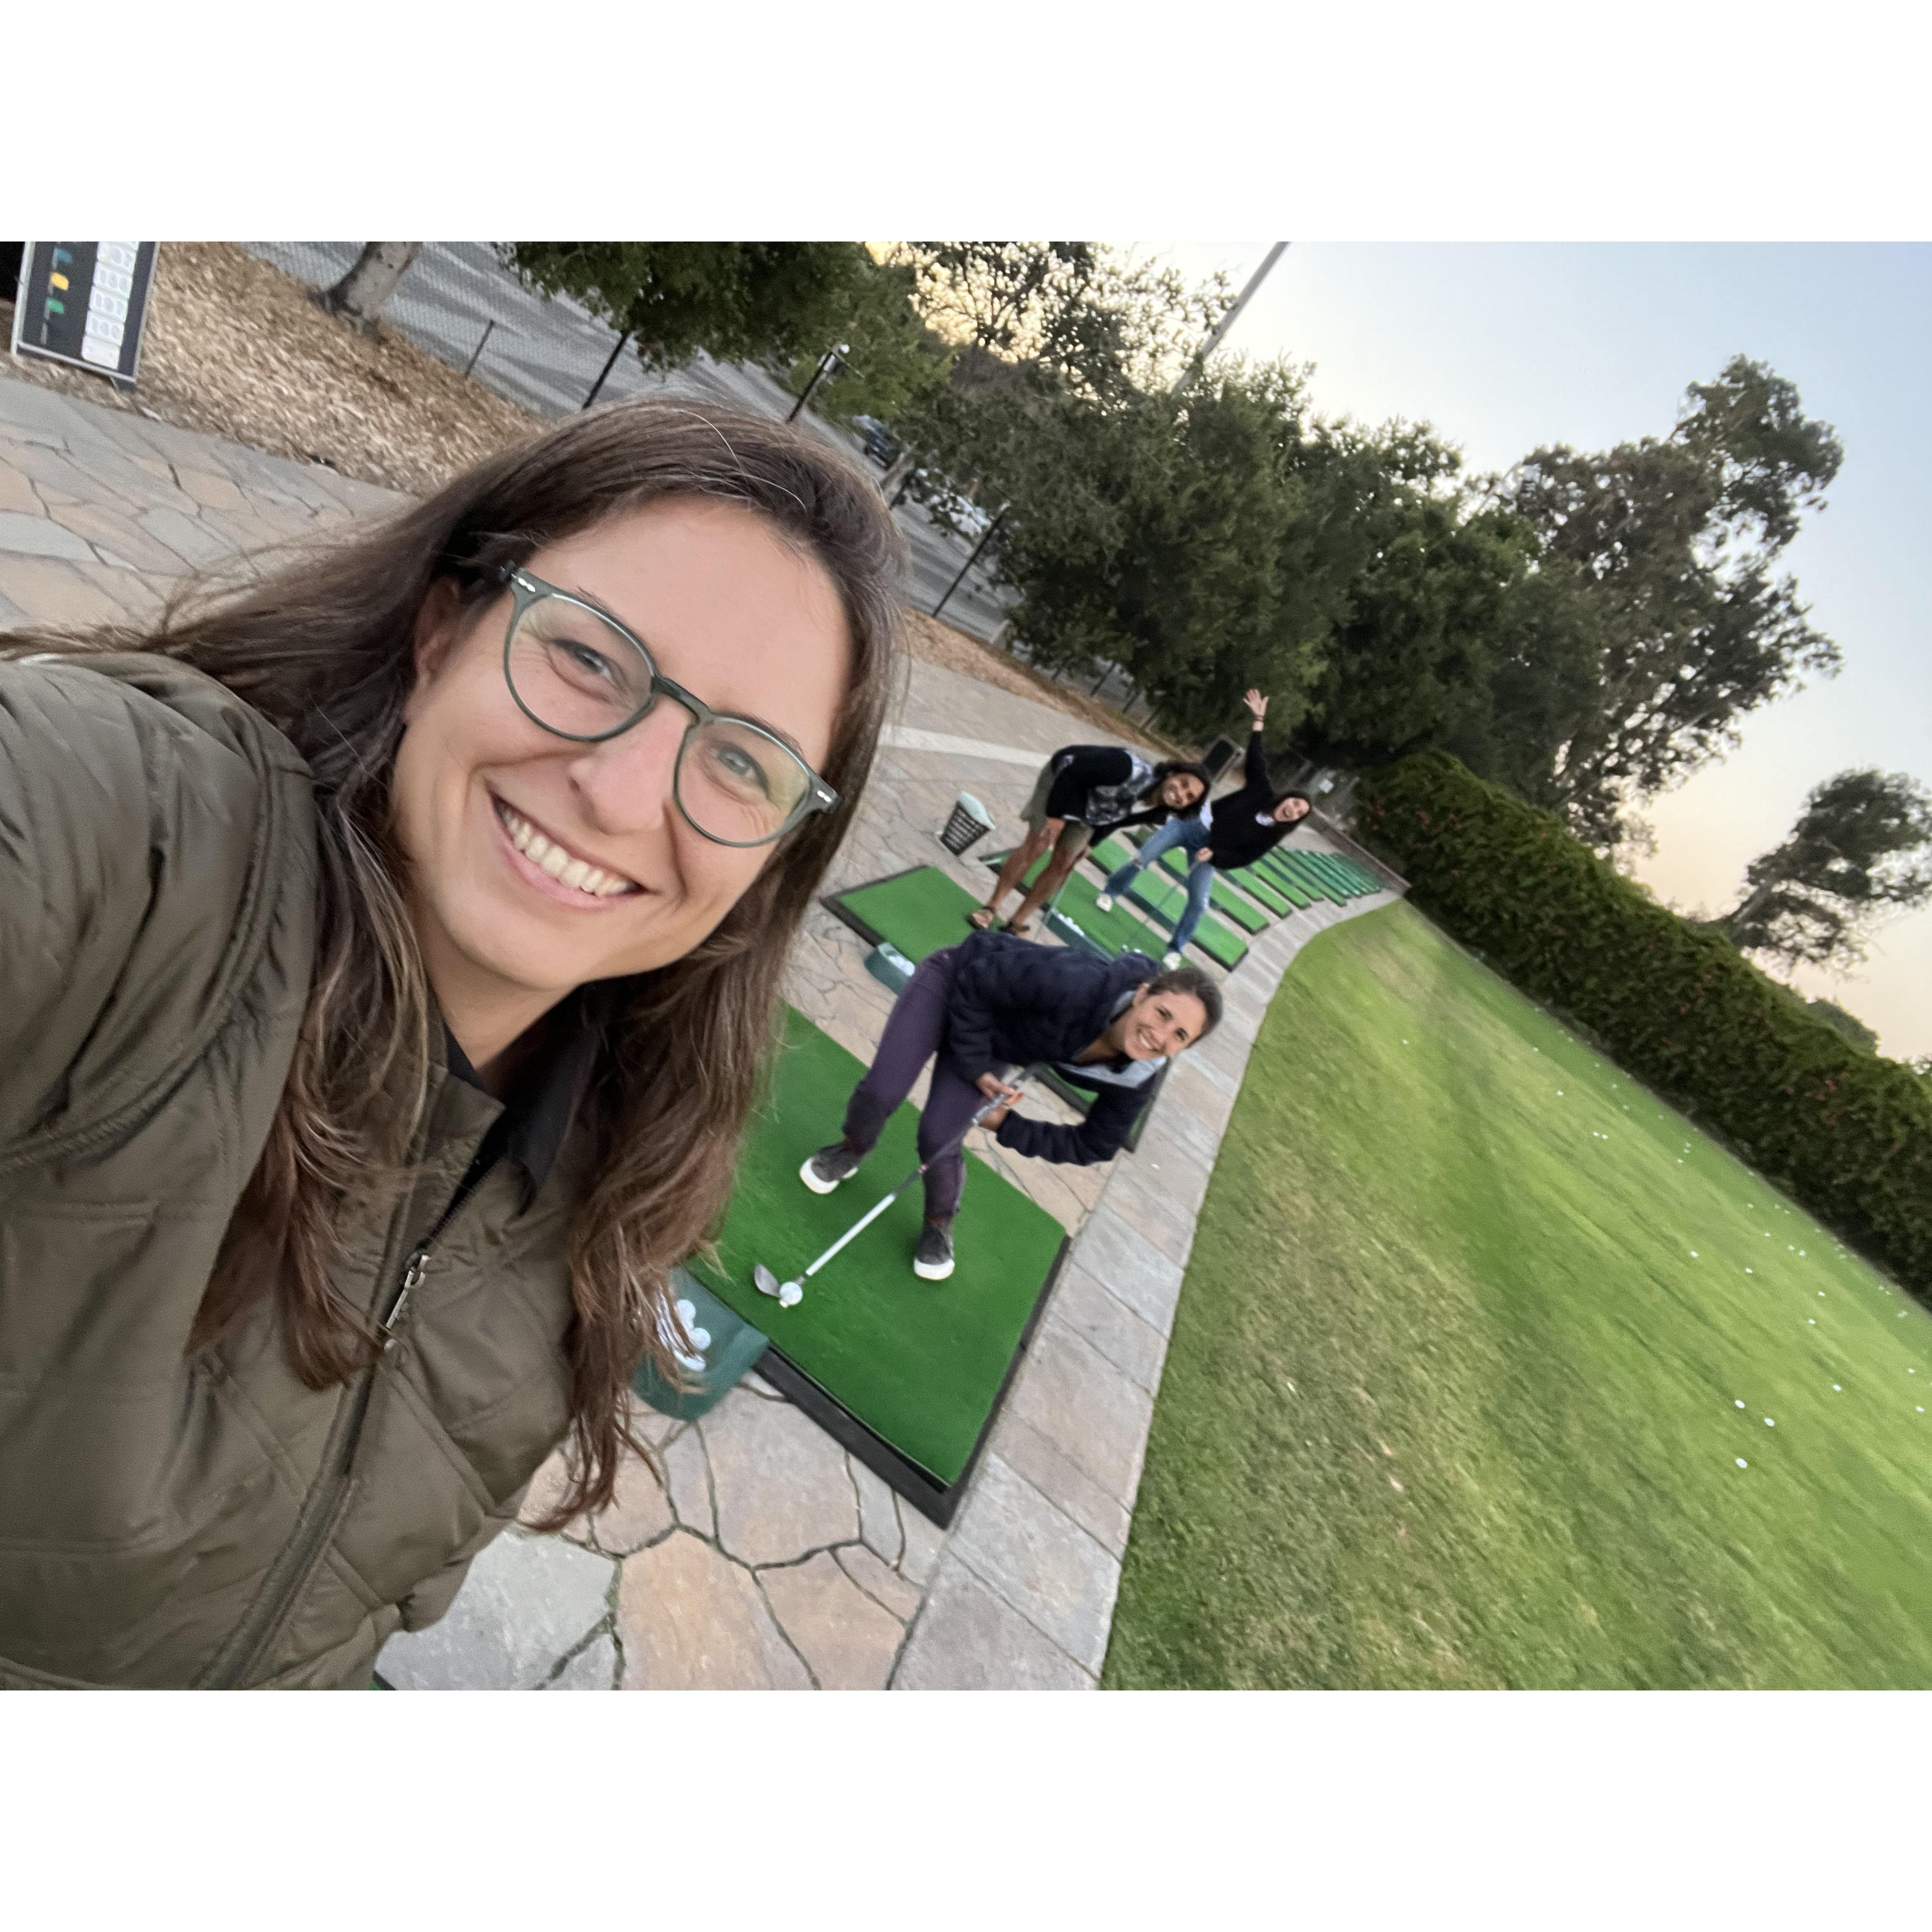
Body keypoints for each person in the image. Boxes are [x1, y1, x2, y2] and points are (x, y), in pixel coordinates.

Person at [0, 399, 902, 1690]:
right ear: (443, 635)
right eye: (590, 658)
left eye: (741, 763)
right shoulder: (150, 848)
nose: (626, 791)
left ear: (772, 862)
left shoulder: (616, 1183)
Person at [801, 932, 1221, 1279]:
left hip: (998, 1037)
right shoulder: (1079, 983)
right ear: (1143, 994)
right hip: (954, 981)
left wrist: (1007, 1124)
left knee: (939, 1137)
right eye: (1163, 1014)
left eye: (1180, 1036)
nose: (1160, 1036)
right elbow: (978, 979)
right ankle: (851, 1149)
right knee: (882, 1091)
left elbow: (1096, 1144)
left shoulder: (1137, 1077)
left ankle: (938, 1223)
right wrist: (973, 1067)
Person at [1096, 689, 1311, 966]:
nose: (1293, 810)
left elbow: (1244, 857)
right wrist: (1258, 720)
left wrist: (1216, 856)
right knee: (1142, 858)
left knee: (1199, 903)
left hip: (1209, 851)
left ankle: (1176, 947)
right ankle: (1111, 892)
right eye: (1294, 803)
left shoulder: (1271, 834)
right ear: (1287, 798)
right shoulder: (1261, 791)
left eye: (1299, 813)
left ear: (1295, 820)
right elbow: (1257, 758)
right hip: (1191, 824)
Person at [969, 744, 1208, 938]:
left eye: (1189, 797)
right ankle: (991, 907)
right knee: (1038, 845)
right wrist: (1055, 815)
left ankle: (1016, 922)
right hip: (1062, 780)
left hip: (1094, 808)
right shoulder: (1126, 769)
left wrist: (1093, 843)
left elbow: (1117, 820)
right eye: (1183, 784)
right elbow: (1072, 771)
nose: (1181, 794)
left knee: (1065, 862)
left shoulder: (1157, 810)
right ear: (1173, 773)